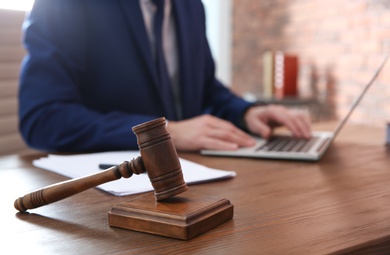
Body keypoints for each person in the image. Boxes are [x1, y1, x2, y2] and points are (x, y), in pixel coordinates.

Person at [19, 0, 311, 153]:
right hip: (104, 195)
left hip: (188, 183)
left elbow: (205, 88)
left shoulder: (191, 6)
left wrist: (248, 112)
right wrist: (162, 134)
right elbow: (43, 118)